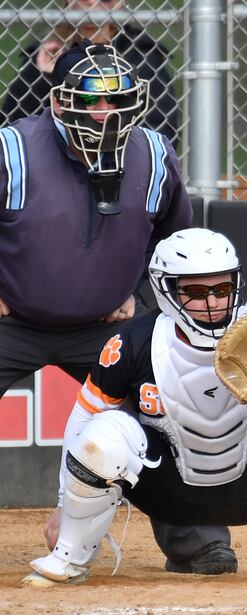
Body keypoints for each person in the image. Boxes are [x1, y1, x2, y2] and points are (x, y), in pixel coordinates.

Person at [22, 227, 247, 587]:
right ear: (166, 290)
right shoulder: (134, 342)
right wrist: (62, 506)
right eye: (196, 291)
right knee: (105, 434)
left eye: (223, 288)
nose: (213, 302)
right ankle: (71, 557)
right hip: (168, 492)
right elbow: (85, 416)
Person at [0, 40, 233, 576]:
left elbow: (177, 250)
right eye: (90, 101)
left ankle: (197, 539)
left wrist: (145, 299)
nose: (105, 114)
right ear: (58, 102)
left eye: (117, 101)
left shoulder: (152, 155)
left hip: (106, 326)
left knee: (173, 403)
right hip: (11, 321)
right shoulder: (12, 150)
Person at [0, 0, 178, 143]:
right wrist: (46, 77)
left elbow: (162, 132)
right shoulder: (46, 53)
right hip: (57, 167)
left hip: (122, 165)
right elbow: (12, 127)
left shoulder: (140, 54)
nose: (93, 3)